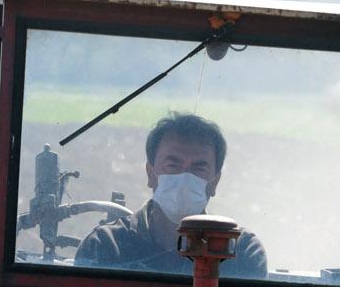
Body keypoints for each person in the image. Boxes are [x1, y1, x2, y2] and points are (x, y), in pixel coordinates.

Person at [75, 112, 267, 277]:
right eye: (173, 165)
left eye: (198, 168)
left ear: (215, 182)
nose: (185, 177)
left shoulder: (240, 251)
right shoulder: (106, 246)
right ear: (151, 174)